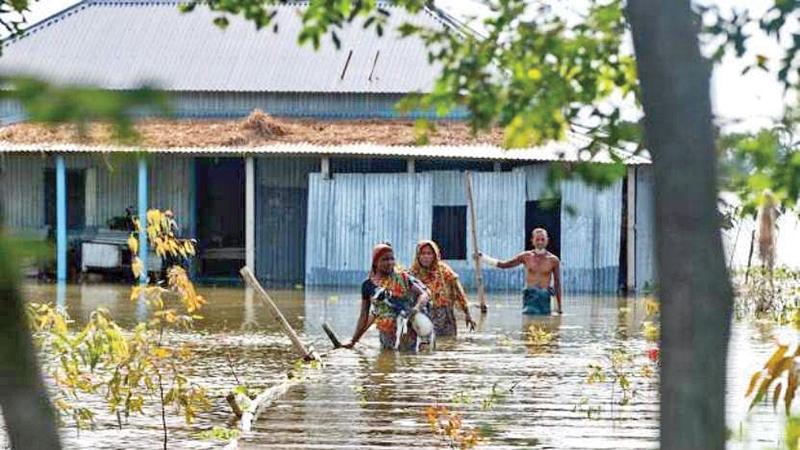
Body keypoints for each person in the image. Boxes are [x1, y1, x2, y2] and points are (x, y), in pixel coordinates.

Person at [342, 243, 431, 351]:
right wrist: (353, 341)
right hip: (386, 332)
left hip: (406, 329)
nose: (390, 263)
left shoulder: (403, 278)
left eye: (392, 259)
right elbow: (364, 316)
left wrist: (416, 308)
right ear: (375, 262)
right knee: (387, 360)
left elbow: (424, 294)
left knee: (408, 359)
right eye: (385, 259)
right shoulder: (368, 285)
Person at [477, 228, 562, 315]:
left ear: (547, 240)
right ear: (532, 241)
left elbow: (557, 283)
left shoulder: (553, 260)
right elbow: (504, 264)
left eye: (542, 239)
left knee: (545, 323)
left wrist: (559, 307)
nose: (540, 242)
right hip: (530, 297)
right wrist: (483, 258)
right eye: (537, 239)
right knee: (528, 323)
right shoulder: (526, 256)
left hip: (544, 297)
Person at [410, 240, 476, 337]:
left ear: (435, 255)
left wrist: (467, 314)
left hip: (445, 315)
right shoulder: (413, 273)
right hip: (424, 314)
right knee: (425, 343)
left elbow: (458, 291)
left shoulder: (444, 270)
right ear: (418, 256)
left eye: (429, 253)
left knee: (447, 343)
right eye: (423, 254)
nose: (426, 257)